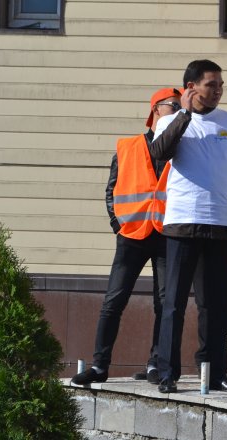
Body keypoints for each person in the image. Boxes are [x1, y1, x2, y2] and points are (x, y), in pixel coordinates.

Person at [151, 60, 227, 394]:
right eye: (211, 84)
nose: (218, 90)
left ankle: (214, 371)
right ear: (192, 87)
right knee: (174, 302)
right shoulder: (170, 120)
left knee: (216, 305)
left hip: (223, 223)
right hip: (182, 223)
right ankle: (167, 372)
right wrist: (183, 114)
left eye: (221, 84)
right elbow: (159, 153)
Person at [71, 88, 181, 386]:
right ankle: (99, 366)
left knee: (164, 303)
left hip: (166, 235)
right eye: (175, 105)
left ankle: (156, 364)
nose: (180, 109)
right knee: (113, 301)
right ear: (156, 110)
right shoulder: (128, 147)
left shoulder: (182, 147)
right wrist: (116, 225)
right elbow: (112, 189)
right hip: (131, 234)